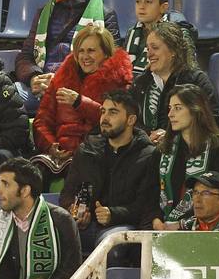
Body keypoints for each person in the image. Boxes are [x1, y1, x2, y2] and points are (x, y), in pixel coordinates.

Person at [15, 0, 120, 114]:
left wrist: (63, 81)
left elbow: (110, 65)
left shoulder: (105, 15)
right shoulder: (45, 12)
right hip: (41, 87)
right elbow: (25, 55)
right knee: (4, 96)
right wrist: (34, 77)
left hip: (77, 90)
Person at [31, 23, 133, 186]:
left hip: (95, 152)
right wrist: (51, 145)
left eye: (91, 51)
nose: (85, 56)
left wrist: (80, 102)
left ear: (106, 53)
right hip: (58, 153)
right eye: (81, 51)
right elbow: (42, 120)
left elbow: (114, 122)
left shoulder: (117, 81)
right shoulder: (61, 78)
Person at [60, 88, 159, 252]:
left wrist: (113, 214)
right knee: (54, 237)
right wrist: (75, 211)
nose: (104, 118)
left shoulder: (148, 155)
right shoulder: (86, 150)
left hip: (123, 226)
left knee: (111, 245)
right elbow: (67, 193)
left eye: (113, 112)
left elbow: (146, 206)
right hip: (87, 225)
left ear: (131, 119)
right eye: (103, 112)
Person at [151, 84, 219, 229]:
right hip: (160, 228)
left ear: (196, 111)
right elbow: (149, 195)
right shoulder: (162, 150)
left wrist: (183, 225)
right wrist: (156, 221)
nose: (170, 114)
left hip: (204, 231)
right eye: (170, 108)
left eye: (178, 108)